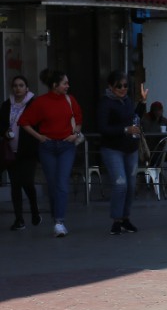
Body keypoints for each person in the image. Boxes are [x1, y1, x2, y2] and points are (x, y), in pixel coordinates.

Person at [18, 69, 83, 237]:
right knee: (53, 185)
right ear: (55, 85)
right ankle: (57, 217)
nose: (68, 86)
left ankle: (59, 221)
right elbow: (24, 122)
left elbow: (79, 119)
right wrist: (39, 136)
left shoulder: (70, 100)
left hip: (66, 146)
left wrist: (74, 134)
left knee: (61, 183)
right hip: (47, 147)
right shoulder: (41, 102)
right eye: (65, 83)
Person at [97, 70, 146, 235]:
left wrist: (142, 103)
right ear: (111, 86)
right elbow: (103, 128)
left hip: (130, 149)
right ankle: (116, 220)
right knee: (120, 184)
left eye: (125, 86)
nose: (123, 89)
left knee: (131, 186)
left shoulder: (127, 101)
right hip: (112, 149)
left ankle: (125, 218)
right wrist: (125, 129)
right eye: (119, 86)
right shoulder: (106, 103)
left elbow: (135, 118)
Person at [1, 75, 40, 231]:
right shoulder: (6, 105)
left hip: (28, 151)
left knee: (27, 182)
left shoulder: (33, 105)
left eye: (21, 85)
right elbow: (1, 124)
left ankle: (35, 210)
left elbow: (38, 126)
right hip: (11, 151)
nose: (18, 88)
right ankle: (19, 219)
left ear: (27, 88)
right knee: (15, 185)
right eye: (15, 85)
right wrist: (5, 132)